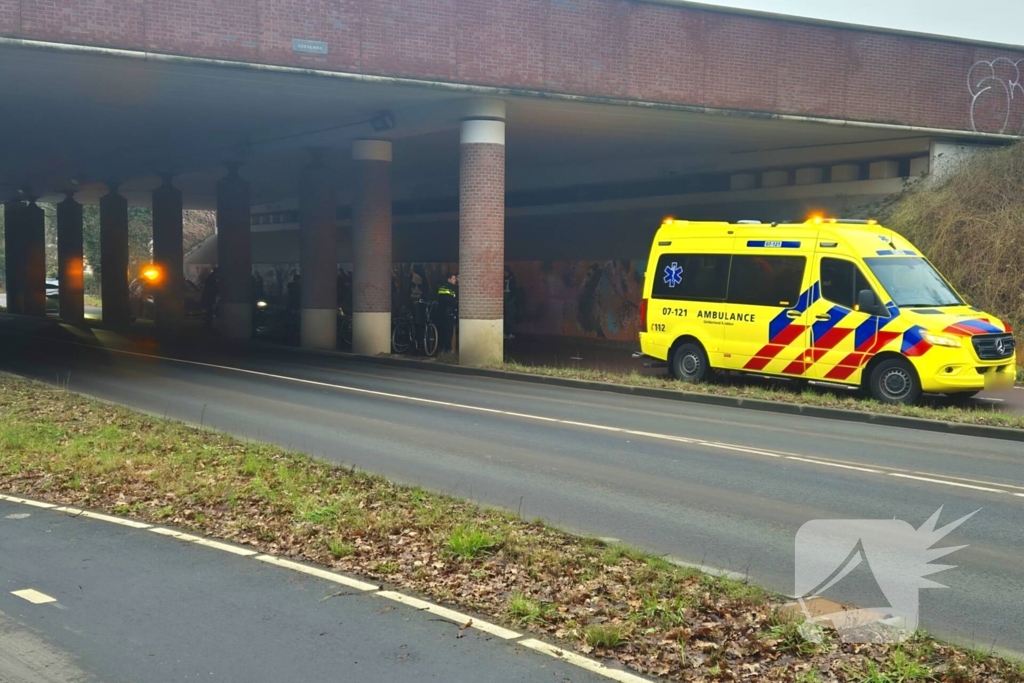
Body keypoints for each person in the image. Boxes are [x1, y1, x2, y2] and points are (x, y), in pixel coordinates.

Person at [436, 272, 458, 353]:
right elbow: (451, 301)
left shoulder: (443, 288)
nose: (455, 280)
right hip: (448, 312)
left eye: (455, 278)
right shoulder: (451, 288)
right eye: (453, 278)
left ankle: (443, 348)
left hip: (443, 312)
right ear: (448, 279)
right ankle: (447, 348)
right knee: (448, 331)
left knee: (444, 331)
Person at [503, 265, 517, 340]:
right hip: (505, 300)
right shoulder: (504, 279)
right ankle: (505, 333)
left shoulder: (512, 279)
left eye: (505, 272)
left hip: (510, 300)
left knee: (510, 317)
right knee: (505, 317)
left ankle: (510, 333)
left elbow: (513, 290)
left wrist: (510, 299)